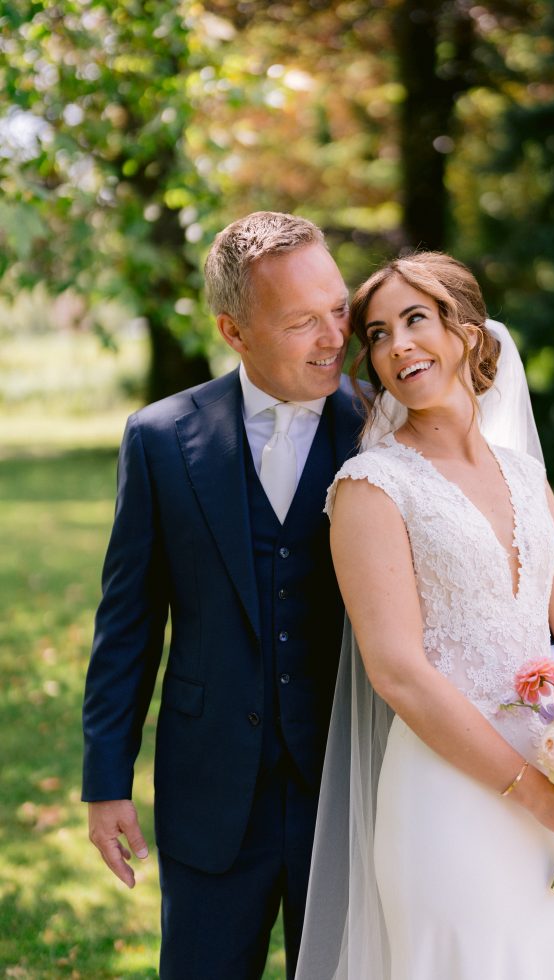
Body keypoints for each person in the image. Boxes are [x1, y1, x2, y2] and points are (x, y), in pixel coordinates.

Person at [295, 252, 554, 979]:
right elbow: (397, 673)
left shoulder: (524, 474)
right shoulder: (370, 485)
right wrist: (537, 796)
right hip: (447, 798)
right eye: (380, 333)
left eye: (415, 319)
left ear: (469, 333)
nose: (396, 346)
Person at [82, 211, 366, 979]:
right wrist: (106, 783)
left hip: (348, 788)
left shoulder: (384, 424)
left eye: (336, 308)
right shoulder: (160, 438)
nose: (333, 337)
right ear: (235, 332)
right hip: (208, 790)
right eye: (301, 321)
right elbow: (128, 622)